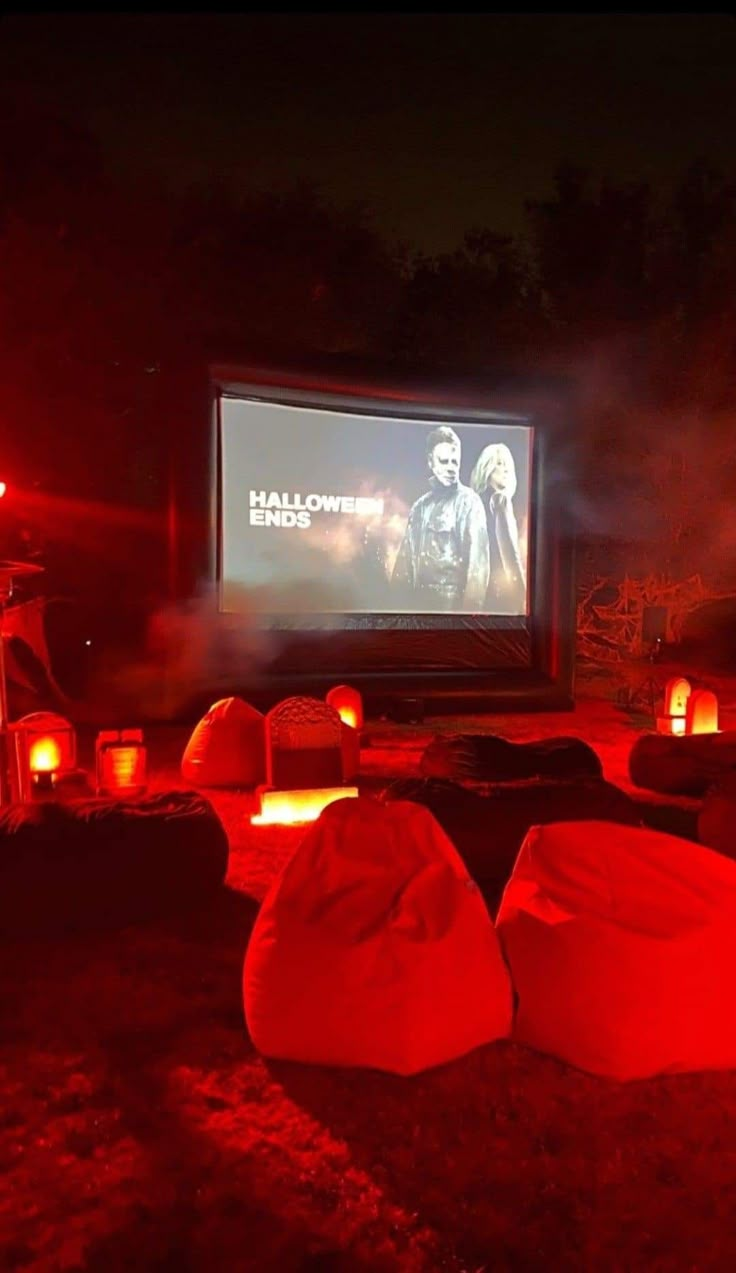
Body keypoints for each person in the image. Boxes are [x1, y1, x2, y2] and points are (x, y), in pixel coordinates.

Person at [391, 426, 490, 611]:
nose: (451, 468)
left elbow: (478, 570)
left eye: (455, 462)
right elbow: (403, 568)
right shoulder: (419, 507)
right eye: (444, 461)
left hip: (451, 616)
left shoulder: (469, 503)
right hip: (415, 615)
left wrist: (466, 624)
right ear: (431, 462)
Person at [469, 442, 527, 612]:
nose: (506, 469)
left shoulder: (475, 501)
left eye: (507, 464)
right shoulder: (499, 500)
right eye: (499, 464)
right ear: (487, 469)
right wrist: (522, 594)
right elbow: (509, 552)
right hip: (499, 589)